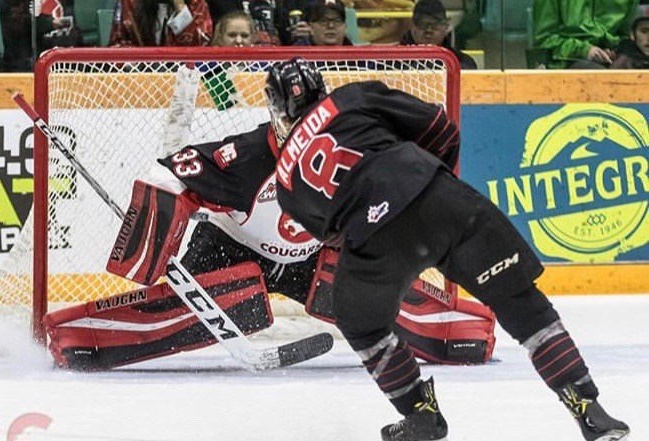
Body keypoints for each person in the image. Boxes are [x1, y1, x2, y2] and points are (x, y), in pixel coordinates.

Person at [264, 58, 632, 441]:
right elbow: (440, 128)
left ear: (278, 108)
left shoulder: (285, 181)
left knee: (360, 322)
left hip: (376, 238)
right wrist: (427, 180)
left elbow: (332, 236)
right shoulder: (351, 97)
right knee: (519, 302)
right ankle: (589, 410)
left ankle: (420, 416)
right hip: (439, 198)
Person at [46, 99, 495, 372]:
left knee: (357, 291)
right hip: (230, 250)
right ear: (276, 116)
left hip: (308, 259)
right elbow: (169, 174)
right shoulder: (244, 157)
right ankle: (79, 336)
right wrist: (151, 241)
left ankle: (462, 329)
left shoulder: (349, 151)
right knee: (229, 304)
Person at [532, 0, 637, 69]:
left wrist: (614, 50)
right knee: (596, 75)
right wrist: (584, 50)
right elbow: (544, 40)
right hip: (564, 62)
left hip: (611, 59)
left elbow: (626, 35)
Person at [400, 0, 477, 69]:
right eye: (422, 24)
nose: (429, 30)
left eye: (436, 25)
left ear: (446, 27)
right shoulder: (392, 61)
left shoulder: (463, 63)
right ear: (411, 25)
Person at [109, 0, 212, 46]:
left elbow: (200, 48)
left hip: (183, 78)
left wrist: (181, 9)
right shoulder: (130, 2)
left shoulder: (197, 4)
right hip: (138, 78)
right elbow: (117, 43)